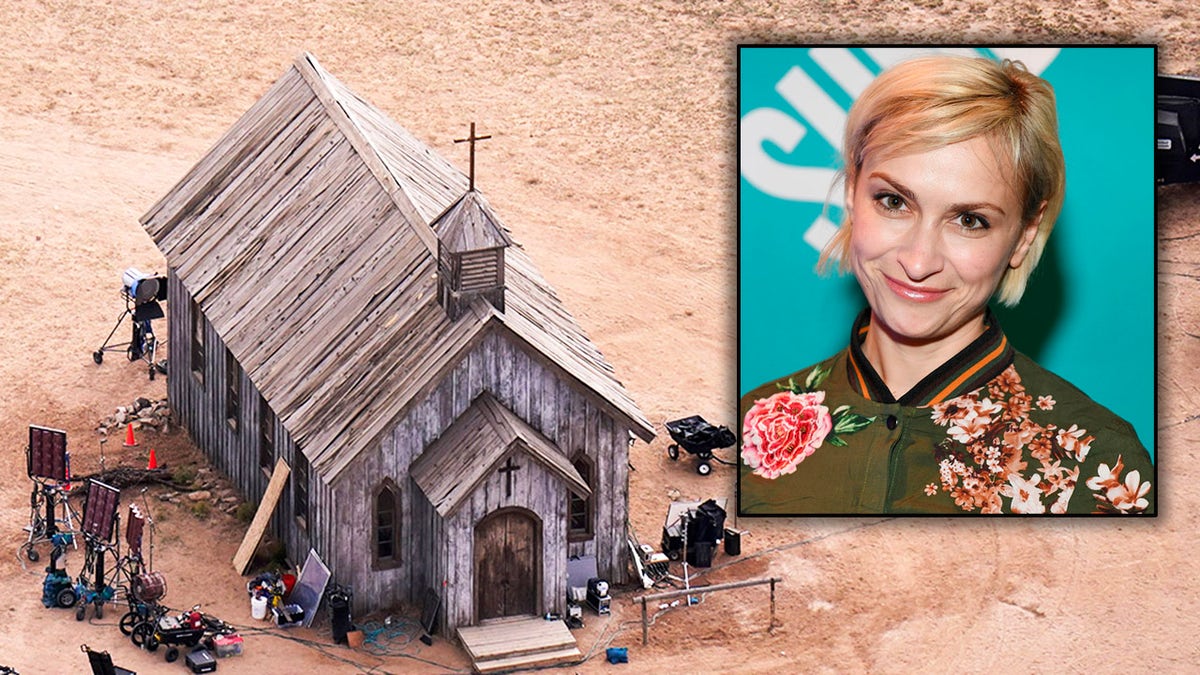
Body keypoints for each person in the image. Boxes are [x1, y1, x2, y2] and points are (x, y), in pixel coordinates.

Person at [738, 55, 1154, 515]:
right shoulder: (747, 425)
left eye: (970, 220)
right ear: (852, 193)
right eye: (893, 202)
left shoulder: (1096, 464)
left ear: (1024, 235)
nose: (918, 261)